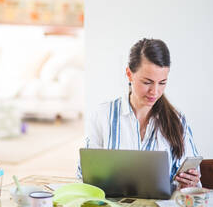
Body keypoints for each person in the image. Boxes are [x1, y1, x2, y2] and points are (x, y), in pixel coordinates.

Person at [79, 38, 201, 189]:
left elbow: (193, 184)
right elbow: (84, 175)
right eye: (147, 82)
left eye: (162, 82)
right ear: (129, 74)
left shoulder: (177, 120)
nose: (155, 92)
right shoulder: (103, 115)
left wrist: (190, 182)